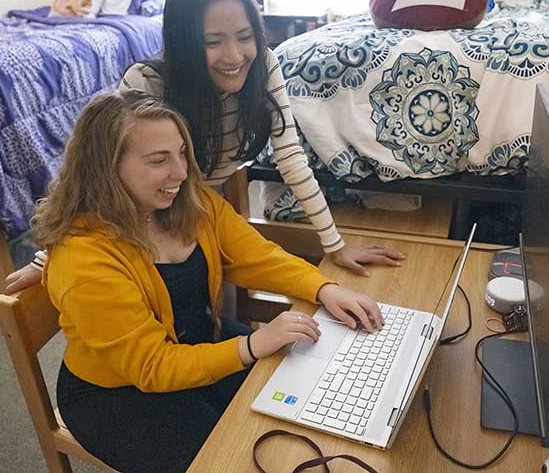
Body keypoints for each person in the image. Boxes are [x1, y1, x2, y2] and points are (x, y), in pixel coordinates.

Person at [35, 91, 384, 472]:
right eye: (159, 160)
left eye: (181, 153)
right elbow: (152, 366)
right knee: (233, 459)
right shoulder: (83, 258)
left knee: (301, 411)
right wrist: (251, 345)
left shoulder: (188, 201)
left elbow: (257, 255)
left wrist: (324, 288)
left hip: (199, 340)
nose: (182, 172)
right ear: (105, 168)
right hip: (118, 392)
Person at [4, 0, 404, 293]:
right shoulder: (147, 83)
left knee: (245, 291)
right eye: (213, 42)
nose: (234, 56)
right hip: (142, 215)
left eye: (245, 37)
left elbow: (291, 157)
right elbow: (98, 174)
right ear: (184, 43)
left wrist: (335, 245)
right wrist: (49, 258)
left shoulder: (263, 65)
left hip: (202, 205)